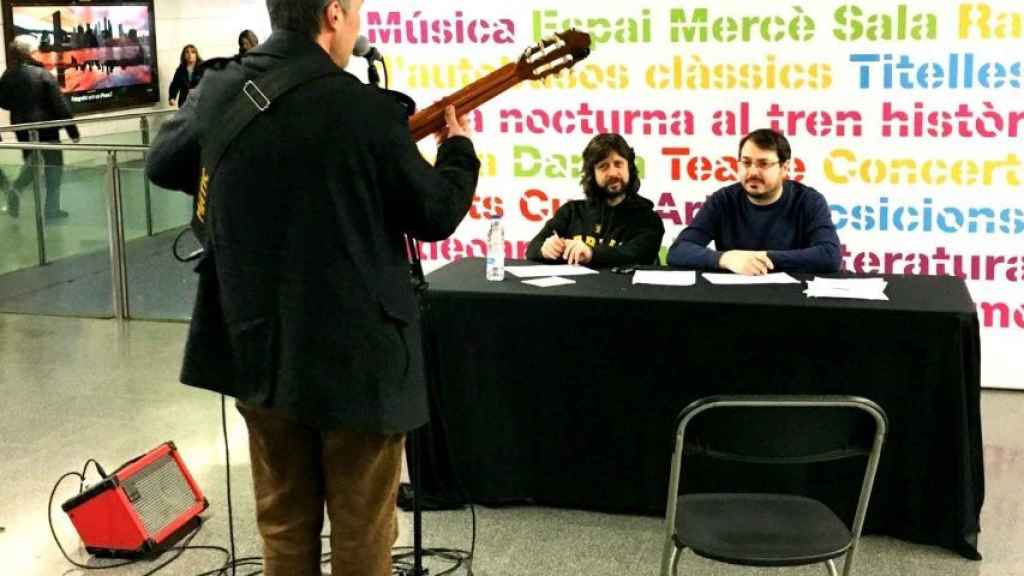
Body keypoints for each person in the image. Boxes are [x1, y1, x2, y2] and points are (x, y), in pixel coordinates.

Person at [145, 0, 480, 574]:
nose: (359, 26)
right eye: (357, 13)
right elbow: (435, 213)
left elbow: (162, 164)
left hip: (260, 351)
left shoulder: (222, 88)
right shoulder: (365, 109)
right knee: (362, 536)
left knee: (282, 527)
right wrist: (458, 151)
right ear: (333, 14)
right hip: (360, 361)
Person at [667, 129, 841, 275]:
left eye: (763, 164)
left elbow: (829, 255)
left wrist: (759, 258)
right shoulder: (723, 200)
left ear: (784, 168)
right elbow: (678, 251)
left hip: (792, 301)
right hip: (735, 300)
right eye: (746, 163)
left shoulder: (808, 201)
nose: (752, 172)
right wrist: (725, 259)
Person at [526, 133, 664, 267]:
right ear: (592, 174)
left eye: (618, 164)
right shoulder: (571, 212)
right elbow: (532, 249)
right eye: (603, 166)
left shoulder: (648, 219)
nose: (613, 173)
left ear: (630, 168)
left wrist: (591, 253)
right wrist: (545, 249)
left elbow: (635, 255)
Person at [0, 37, 80, 219]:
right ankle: (51, 209)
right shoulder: (43, 74)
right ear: (31, 52)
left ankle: (16, 189)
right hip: (46, 127)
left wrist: (20, 106)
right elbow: (60, 105)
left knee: (32, 164)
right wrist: (72, 131)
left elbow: (3, 101)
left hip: (21, 127)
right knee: (54, 167)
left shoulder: (8, 74)